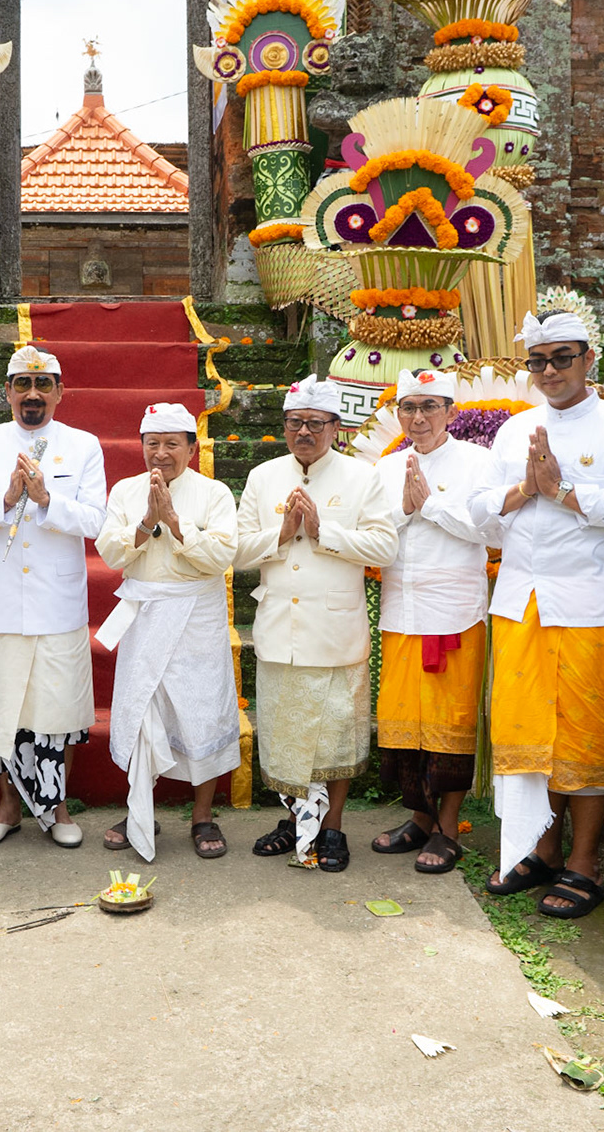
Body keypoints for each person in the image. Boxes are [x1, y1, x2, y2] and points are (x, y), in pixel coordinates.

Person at [468, 311, 604, 919]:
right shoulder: (514, 430)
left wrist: (565, 492)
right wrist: (525, 490)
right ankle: (540, 848)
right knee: (524, 731)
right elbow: (478, 514)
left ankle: (584, 862)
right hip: (519, 603)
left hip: (587, 604)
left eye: (562, 358)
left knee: (585, 733)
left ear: (588, 359)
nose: (549, 370)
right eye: (538, 360)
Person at [234, 375, 399, 872]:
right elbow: (236, 550)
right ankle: (293, 822)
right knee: (285, 734)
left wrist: (325, 532)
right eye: (294, 422)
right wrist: (282, 533)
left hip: (335, 632)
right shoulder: (263, 476)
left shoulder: (362, 477)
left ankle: (332, 828)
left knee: (335, 738)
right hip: (280, 629)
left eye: (314, 423)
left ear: (335, 426)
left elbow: (384, 547)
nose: (303, 432)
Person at [0, 345, 107, 849]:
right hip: (3, 601)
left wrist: (45, 500)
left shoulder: (83, 445)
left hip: (57, 603)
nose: (32, 394)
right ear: (6, 392)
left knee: (59, 710)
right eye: (22, 385)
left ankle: (57, 808)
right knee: (3, 709)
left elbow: (96, 521)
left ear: (60, 393)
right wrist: (7, 499)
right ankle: (8, 809)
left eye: (42, 385)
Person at [369, 367, 502, 875]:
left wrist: (432, 506)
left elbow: (493, 531)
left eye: (429, 407)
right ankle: (419, 819)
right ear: (399, 414)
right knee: (404, 723)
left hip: (455, 614)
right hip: (401, 612)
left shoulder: (478, 462)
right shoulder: (386, 467)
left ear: (450, 411)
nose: (418, 417)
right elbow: (372, 535)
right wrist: (405, 511)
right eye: (409, 407)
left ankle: (448, 828)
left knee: (451, 723)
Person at [94, 403, 240, 861]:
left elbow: (221, 557)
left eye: (172, 444)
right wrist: (145, 523)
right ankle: (140, 809)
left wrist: (175, 523)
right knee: (141, 711)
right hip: (146, 614)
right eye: (152, 443)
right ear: (141, 447)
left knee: (202, 711)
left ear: (191, 449)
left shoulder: (214, 493)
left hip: (197, 616)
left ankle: (203, 815)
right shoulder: (125, 490)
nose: (161, 453)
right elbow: (109, 552)